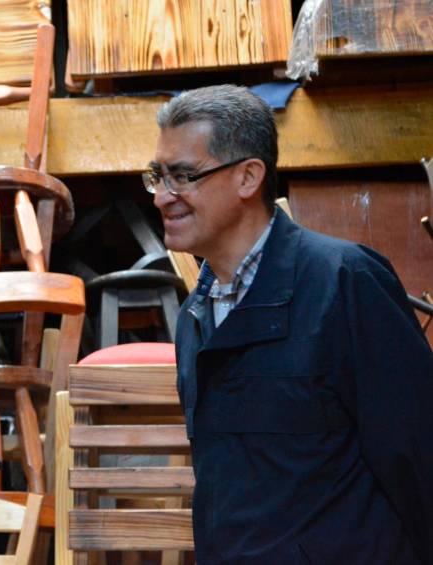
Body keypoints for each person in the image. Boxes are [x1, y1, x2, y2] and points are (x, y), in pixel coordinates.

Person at [147, 85, 433, 564]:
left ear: (248, 177)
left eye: (182, 176)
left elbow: (417, 457)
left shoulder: (343, 281)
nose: (161, 197)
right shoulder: (197, 314)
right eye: (157, 176)